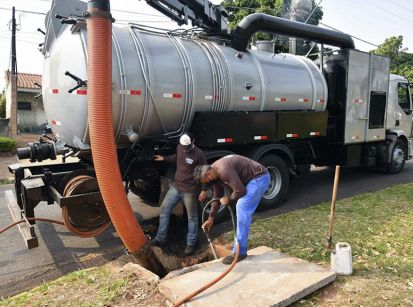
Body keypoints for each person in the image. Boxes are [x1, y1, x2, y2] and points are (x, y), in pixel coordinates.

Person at [194, 154, 270, 264]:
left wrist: (228, 198)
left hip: (259, 178)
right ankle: (238, 247)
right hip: (250, 180)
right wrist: (211, 218)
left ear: (208, 174)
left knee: (241, 206)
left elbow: (240, 191)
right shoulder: (214, 176)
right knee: (241, 206)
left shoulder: (223, 170)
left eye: (206, 181)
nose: (207, 184)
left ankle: (240, 252)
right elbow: (216, 197)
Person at [151, 133, 207, 256]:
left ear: (193, 141)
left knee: (192, 217)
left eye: (187, 147)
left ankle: (191, 243)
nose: (185, 149)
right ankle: (161, 238)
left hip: (189, 191)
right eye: (183, 147)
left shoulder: (199, 155)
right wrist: (164, 158)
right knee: (164, 210)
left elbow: (205, 173)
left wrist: (203, 190)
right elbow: (177, 157)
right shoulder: (180, 147)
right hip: (176, 187)